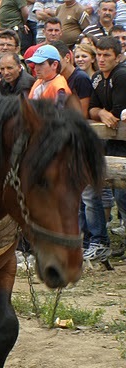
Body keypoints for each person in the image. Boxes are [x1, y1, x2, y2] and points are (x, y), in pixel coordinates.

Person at [86, 36, 126, 258]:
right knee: (111, 191)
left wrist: (103, 112)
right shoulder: (97, 78)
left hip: (122, 140)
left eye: (106, 55)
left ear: (118, 57)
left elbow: (119, 112)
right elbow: (92, 109)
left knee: (122, 194)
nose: (101, 59)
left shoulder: (122, 75)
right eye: (98, 55)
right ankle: (100, 241)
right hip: (110, 139)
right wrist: (101, 112)